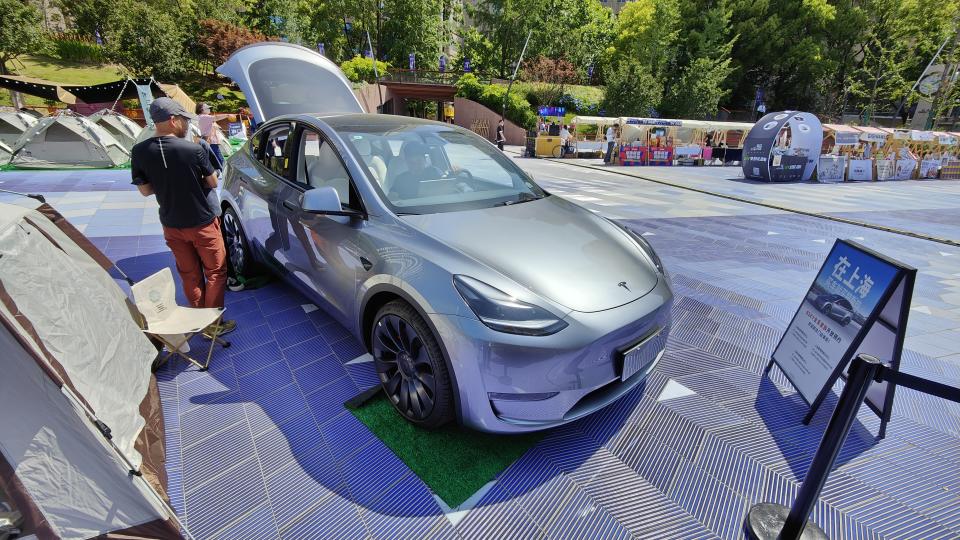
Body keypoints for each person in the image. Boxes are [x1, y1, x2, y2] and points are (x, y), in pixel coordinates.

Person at [130, 97, 235, 337]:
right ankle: (214, 323)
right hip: (202, 222)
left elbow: (145, 190)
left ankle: (198, 321)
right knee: (216, 272)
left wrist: (166, 183)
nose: (187, 125)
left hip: (172, 225)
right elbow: (212, 181)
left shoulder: (139, 151)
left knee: (189, 274)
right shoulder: (193, 149)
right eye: (185, 120)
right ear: (173, 120)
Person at [196, 102, 226, 169]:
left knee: (211, 161)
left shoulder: (199, 117)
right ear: (201, 109)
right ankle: (224, 174)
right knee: (219, 161)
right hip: (210, 142)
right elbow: (216, 117)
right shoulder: (204, 117)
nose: (209, 109)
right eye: (207, 108)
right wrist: (228, 115)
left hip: (206, 141)